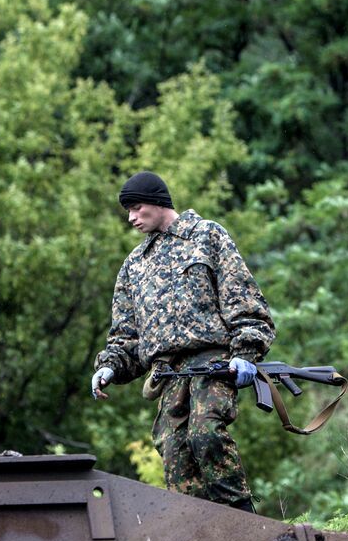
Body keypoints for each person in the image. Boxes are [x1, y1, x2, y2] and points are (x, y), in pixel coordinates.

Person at [90, 171, 274, 513]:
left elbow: (243, 299)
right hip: (167, 376)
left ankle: (246, 524)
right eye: (127, 211)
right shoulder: (135, 264)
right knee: (175, 452)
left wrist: (246, 351)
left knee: (205, 435)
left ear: (158, 203)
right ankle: (201, 540)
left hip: (213, 364)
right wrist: (109, 366)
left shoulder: (207, 235)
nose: (131, 218)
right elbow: (126, 335)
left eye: (137, 207)